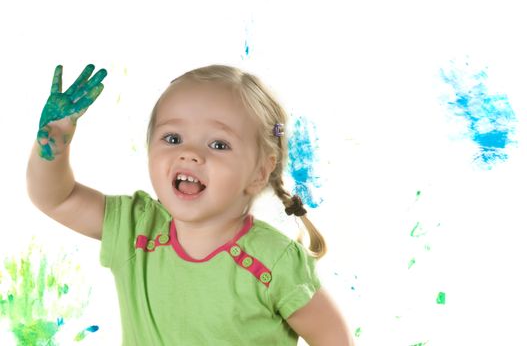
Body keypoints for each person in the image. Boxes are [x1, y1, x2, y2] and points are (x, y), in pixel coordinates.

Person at [26, 64, 353, 345]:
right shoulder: (135, 229)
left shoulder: (274, 261)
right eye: (173, 138)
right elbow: (58, 198)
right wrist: (53, 145)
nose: (191, 153)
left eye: (218, 144)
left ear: (259, 172)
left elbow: (335, 339)